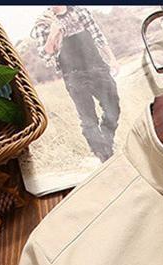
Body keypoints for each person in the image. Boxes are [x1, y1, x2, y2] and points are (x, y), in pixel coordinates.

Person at [32, 6, 121, 162]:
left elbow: (98, 36)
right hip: (73, 75)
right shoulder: (43, 23)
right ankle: (104, 156)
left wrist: (112, 59)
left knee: (113, 108)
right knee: (88, 119)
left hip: (97, 67)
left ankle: (106, 142)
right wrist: (53, 33)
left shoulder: (80, 11)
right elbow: (46, 56)